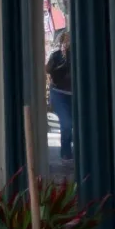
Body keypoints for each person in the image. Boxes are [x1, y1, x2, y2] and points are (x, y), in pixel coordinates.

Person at [46, 29, 73, 162]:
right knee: (67, 123)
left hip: (74, 95)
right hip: (59, 93)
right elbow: (49, 71)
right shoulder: (57, 56)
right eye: (66, 41)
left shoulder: (79, 55)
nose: (67, 44)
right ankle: (66, 153)